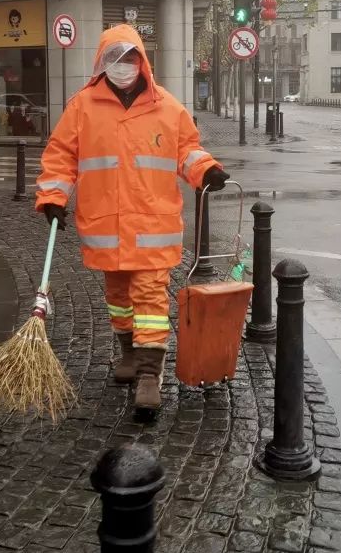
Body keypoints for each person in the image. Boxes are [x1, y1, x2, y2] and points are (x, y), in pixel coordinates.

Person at [35, 24, 229, 413]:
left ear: (142, 61)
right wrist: (53, 196)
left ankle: (147, 375)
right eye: (114, 58)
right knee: (119, 298)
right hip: (106, 224)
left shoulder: (168, 108)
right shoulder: (82, 107)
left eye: (129, 58)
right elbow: (60, 155)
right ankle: (127, 353)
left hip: (152, 225)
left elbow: (187, 150)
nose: (122, 65)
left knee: (150, 297)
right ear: (102, 63)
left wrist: (206, 169)